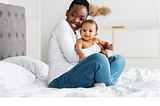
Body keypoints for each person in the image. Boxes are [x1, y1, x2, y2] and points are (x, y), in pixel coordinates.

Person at [48, 0, 126, 88]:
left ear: (85, 20)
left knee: (119, 59)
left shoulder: (78, 34)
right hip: (60, 79)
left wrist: (103, 47)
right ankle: (108, 83)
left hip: (79, 73)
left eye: (81, 19)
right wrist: (98, 47)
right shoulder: (62, 25)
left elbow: (86, 53)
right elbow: (71, 57)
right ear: (67, 12)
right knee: (99, 58)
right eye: (74, 14)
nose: (76, 20)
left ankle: (100, 81)